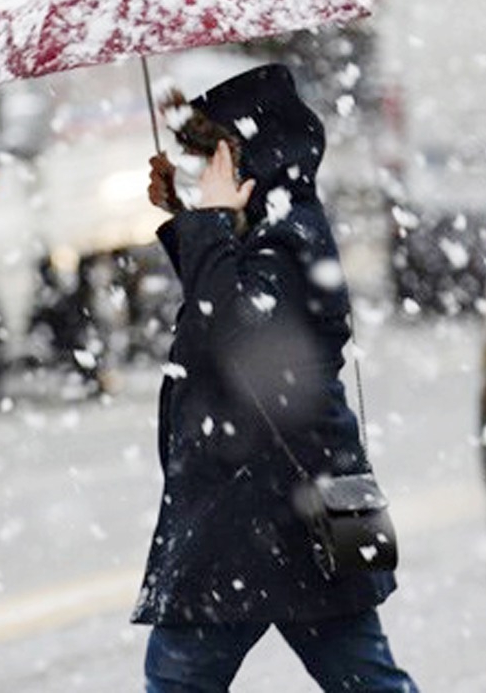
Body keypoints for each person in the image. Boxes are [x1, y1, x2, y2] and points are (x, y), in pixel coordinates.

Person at [135, 63, 417, 692]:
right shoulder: (276, 227)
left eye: (207, 156)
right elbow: (231, 314)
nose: (200, 170)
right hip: (281, 503)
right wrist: (189, 218)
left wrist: (206, 223)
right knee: (363, 677)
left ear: (240, 153)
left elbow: (237, 336)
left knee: (179, 680)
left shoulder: (288, 236)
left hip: (261, 509)